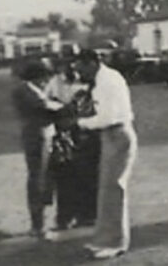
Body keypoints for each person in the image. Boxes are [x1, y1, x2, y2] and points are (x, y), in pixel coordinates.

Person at [73, 49, 138, 260]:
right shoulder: (103, 78)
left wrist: (80, 123)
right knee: (106, 188)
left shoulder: (106, 81)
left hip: (117, 133)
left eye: (80, 67)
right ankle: (104, 238)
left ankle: (115, 242)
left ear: (91, 63)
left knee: (113, 188)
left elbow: (107, 117)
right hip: (111, 135)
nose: (78, 72)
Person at [11, 60, 63, 239]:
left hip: (42, 134)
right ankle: (37, 225)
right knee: (38, 178)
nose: (47, 81)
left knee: (43, 178)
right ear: (39, 76)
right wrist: (61, 106)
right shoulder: (26, 90)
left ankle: (40, 223)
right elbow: (46, 107)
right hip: (37, 135)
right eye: (46, 77)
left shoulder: (31, 89)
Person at [47, 60, 100, 230]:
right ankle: (65, 217)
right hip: (64, 134)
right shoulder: (54, 83)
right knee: (64, 176)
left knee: (88, 175)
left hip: (86, 135)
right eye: (64, 63)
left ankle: (87, 215)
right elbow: (47, 103)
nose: (69, 68)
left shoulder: (87, 81)